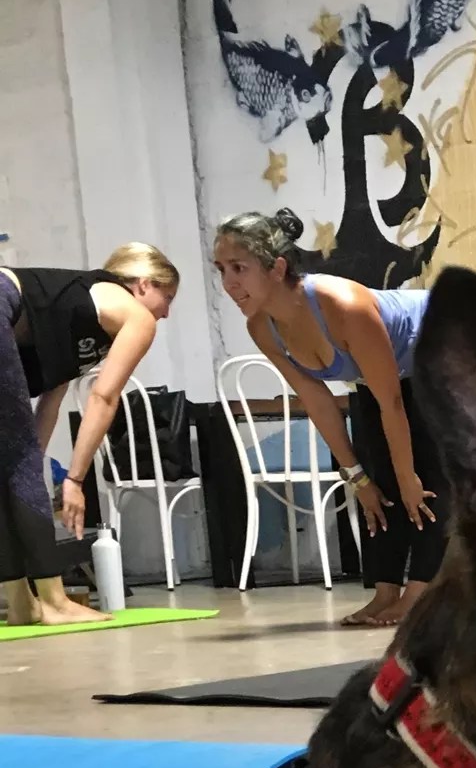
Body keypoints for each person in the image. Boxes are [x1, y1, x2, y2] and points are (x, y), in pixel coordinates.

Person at [212, 209, 440, 629]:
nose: (228, 283)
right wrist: (356, 476)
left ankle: (421, 594)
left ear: (277, 268)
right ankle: (385, 591)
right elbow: (316, 400)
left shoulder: (342, 306)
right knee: (377, 486)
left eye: (239, 268)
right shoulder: (261, 327)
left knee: (423, 481)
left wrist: (408, 476)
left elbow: (392, 402)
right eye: (221, 269)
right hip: (385, 376)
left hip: (443, 345)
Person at [2, 244, 179, 626]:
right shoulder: (135, 316)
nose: (166, 312)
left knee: (9, 469)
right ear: (144, 284)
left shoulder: (79, 308)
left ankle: (21, 603)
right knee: (18, 465)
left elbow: (51, 401)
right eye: (167, 297)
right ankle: (54, 601)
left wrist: (28, 470)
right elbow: (104, 397)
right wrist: (74, 480)